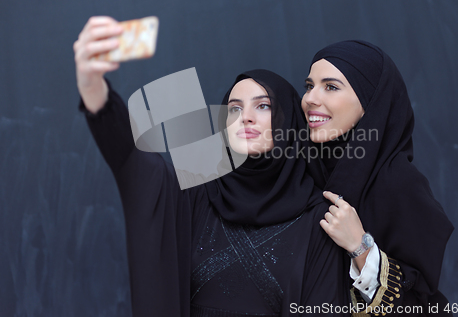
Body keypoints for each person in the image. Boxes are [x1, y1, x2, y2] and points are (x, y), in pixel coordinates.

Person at [74, 16, 351, 317]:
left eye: (263, 106)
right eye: (234, 108)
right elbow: (135, 161)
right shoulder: (196, 194)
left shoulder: (320, 219)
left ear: (288, 121)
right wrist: (94, 91)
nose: (245, 117)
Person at [301, 40, 454, 316]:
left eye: (331, 87)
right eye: (309, 86)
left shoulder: (399, 185)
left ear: (370, 104)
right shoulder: (301, 172)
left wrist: (360, 246)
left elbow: (421, 304)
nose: (310, 98)